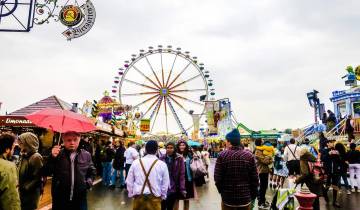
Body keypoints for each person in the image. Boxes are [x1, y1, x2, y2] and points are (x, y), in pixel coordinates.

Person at [42, 131, 97, 210]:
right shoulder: (57, 154)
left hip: (80, 199)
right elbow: (45, 172)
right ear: (63, 140)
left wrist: (88, 182)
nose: (72, 142)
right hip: (60, 199)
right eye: (69, 140)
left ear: (79, 139)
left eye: (75, 140)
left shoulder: (86, 155)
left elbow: (92, 172)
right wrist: (52, 158)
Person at [214, 129, 259, 210]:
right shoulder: (249, 156)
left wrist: (222, 192)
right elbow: (255, 179)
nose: (225, 143)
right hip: (245, 198)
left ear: (229, 142)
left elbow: (217, 178)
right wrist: (252, 195)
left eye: (226, 141)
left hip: (227, 199)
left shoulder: (222, 155)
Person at [126, 140, 170, 210]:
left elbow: (129, 181)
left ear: (145, 149)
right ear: (156, 150)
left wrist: (131, 193)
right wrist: (163, 196)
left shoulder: (136, 162)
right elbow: (165, 183)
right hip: (155, 199)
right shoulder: (162, 164)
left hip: (138, 197)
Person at [17, 132, 44, 210]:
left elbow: (38, 177)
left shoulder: (36, 157)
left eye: (21, 143)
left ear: (28, 143)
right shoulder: (24, 155)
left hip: (30, 194)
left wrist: (25, 187)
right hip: (23, 191)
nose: (19, 145)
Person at [160, 141, 186, 210]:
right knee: (162, 206)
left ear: (174, 149)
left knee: (170, 207)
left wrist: (182, 188)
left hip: (173, 187)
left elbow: (182, 174)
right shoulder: (161, 158)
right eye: (168, 148)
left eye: (171, 148)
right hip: (163, 187)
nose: (169, 149)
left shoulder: (179, 158)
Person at [0, 133, 21, 210]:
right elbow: (11, 199)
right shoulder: (9, 167)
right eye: (12, 148)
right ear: (7, 149)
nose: (12, 151)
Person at [175, 140, 195, 210]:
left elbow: (193, 166)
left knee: (187, 199)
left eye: (183, 145)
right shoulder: (175, 155)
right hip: (178, 180)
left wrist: (195, 158)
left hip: (188, 178)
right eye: (180, 145)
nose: (182, 146)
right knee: (176, 199)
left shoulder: (189, 154)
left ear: (186, 146)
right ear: (178, 146)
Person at [322, 139, 341, 208]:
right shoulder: (324, 151)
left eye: (333, 142)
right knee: (327, 185)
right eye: (331, 142)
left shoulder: (335, 150)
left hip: (335, 171)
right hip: (328, 171)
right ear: (327, 144)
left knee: (335, 186)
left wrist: (338, 154)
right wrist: (328, 154)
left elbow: (339, 160)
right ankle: (324, 194)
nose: (332, 143)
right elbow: (323, 159)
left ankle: (334, 201)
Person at [254, 138, 273, 208]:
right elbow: (265, 161)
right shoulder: (258, 151)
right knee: (263, 187)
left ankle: (262, 199)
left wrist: (269, 158)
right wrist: (270, 158)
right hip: (262, 171)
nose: (263, 141)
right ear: (260, 142)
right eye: (262, 140)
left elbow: (267, 159)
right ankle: (261, 202)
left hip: (265, 170)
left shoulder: (262, 150)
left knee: (264, 186)